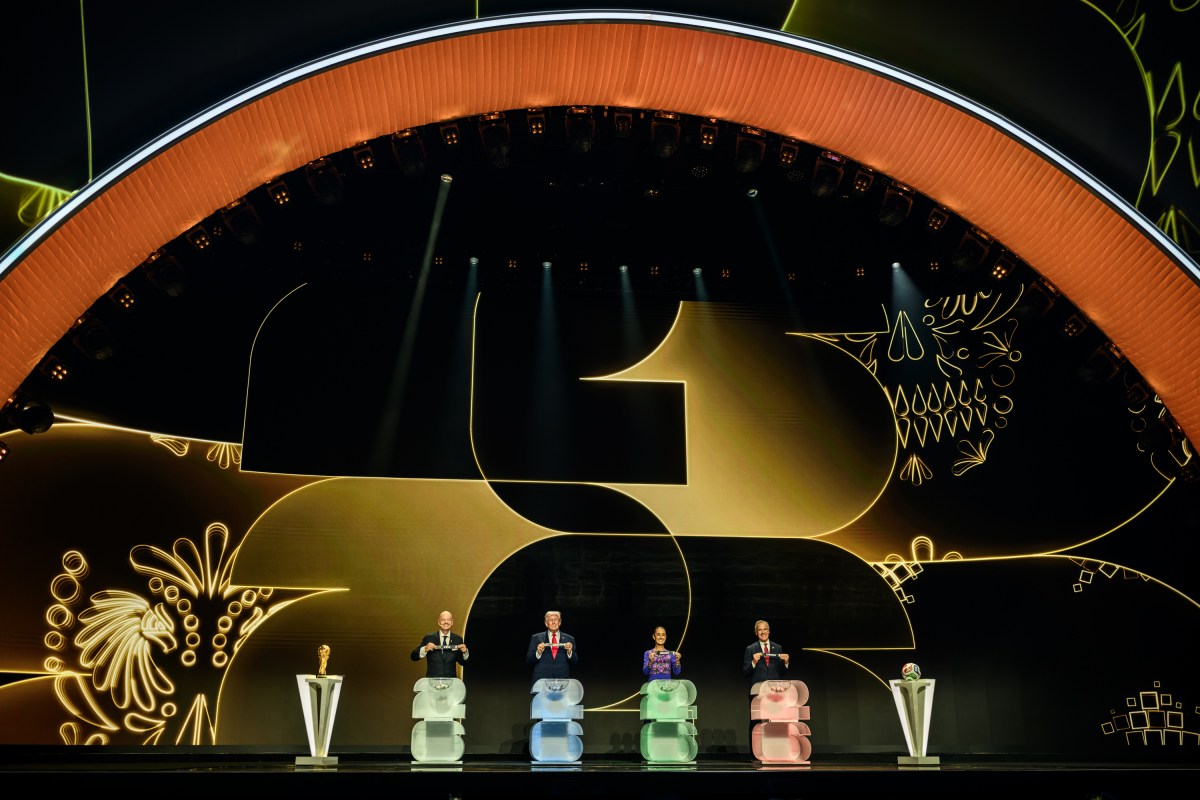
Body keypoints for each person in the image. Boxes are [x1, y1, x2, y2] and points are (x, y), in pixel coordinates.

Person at [411, 610, 469, 678]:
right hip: (432, 681)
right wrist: (424, 649)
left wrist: (465, 653)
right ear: (439, 622)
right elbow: (413, 657)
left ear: (452, 622)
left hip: (451, 681)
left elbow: (463, 662)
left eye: (449, 620)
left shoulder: (458, 639)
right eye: (443, 620)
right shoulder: (429, 638)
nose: (446, 622)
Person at [526, 609, 577, 682]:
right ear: (546, 623)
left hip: (562, 679)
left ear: (559, 622)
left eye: (555, 619)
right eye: (550, 620)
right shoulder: (536, 638)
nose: (553, 622)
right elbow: (529, 659)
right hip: (542, 679)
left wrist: (569, 652)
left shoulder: (569, 639)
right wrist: (538, 652)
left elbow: (575, 661)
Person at [743, 619, 789, 685]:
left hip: (773, 688)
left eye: (765, 629)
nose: (763, 632)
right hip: (757, 688)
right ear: (756, 632)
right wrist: (753, 662)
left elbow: (781, 673)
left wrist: (786, 663)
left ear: (769, 631)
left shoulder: (778, 648)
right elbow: (746, 673)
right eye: (760, 630)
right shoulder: (750, 649)